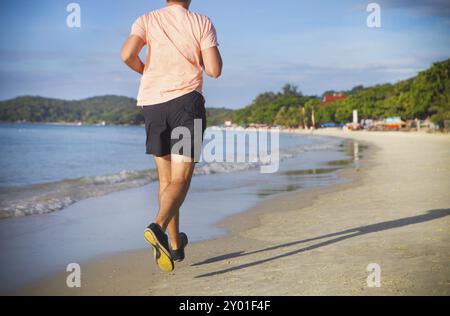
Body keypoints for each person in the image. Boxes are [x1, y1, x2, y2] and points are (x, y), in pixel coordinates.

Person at [120, 0, 222, 272]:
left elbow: (126, 55)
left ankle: (175, 245)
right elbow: (214, 70)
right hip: (186, 104)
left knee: (166, 181)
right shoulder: (201, 22)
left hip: (152, 104)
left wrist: (148, 72)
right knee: (180, 180)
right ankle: (157, 227)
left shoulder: (146, 19)